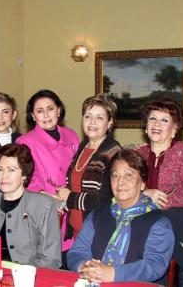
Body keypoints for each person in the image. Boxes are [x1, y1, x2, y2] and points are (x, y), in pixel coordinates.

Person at [67, 149, 174, 284]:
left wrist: (113, 273)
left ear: (142, 184)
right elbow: (77, 252)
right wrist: (84, 266)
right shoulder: (97, 215)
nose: (120, 182)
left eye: (128, 175)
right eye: (114, 176)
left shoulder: (158, 221)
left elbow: (155, 264)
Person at [0, 143, 62, 269]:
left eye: (11, 170)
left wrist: (20, 274)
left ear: (24, 174)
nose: (4, 176)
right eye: (0, 170)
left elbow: (51, 259)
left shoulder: (43, 205)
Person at [15, 89, 79, 254]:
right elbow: (23, 179)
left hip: (73, 207)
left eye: (50, 108)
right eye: (40, 111)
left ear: (58, 110)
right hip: (43, 208)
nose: (46, 115)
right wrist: (47, 195)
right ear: (33, 116)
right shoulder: (24, 141)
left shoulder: (71, 135)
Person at [57, 94, 122, 251]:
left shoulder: (114, 153)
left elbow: (104, 200)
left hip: (99, 235)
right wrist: (62, 199)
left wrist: (69, 197)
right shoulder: (83, 146)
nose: (92, 122)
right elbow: (76, 185)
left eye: (99, 118)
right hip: (77, 235)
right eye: (88, 116)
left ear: (110, 122)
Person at [136, 98, 183, 242]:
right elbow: (125, 189)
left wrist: (159, 201)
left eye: (165, 120)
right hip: (139, 225)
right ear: (146, 127)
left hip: (174, 228)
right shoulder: (137, 154)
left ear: (174, 128)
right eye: (152, 118)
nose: (156, 124)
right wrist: (144, 194)